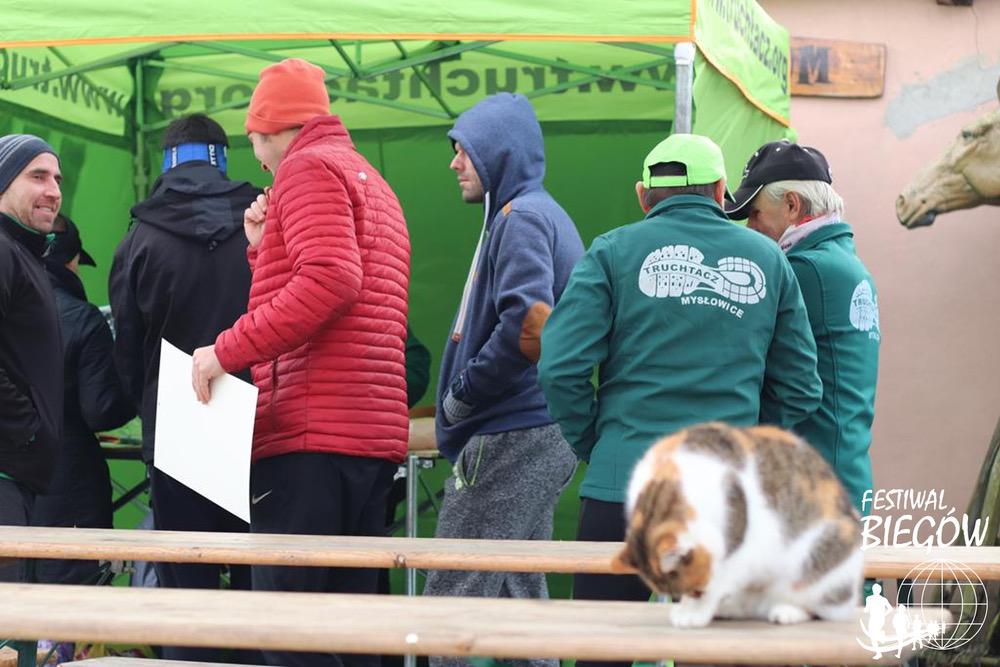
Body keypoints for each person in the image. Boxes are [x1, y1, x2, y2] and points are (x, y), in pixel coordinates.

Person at [537, 134, 822, 667]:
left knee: (602, 652)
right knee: (715, 654)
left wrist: (597, 442)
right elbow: (801, 385)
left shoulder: (613, 250)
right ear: (719, 190)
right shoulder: (767, 258)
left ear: (643, 195)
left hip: (623, 485)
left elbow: (559, 366)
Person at [190, 58, 410, 667]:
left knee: (286, 629)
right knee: (351, 631)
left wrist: (223, 351)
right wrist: (264, 250)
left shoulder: (307, 168)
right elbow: (341, 286)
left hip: (311, 435)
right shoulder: (369, 179)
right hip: (368, 435)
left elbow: (331, 280)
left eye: (254, 141)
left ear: (267, 128)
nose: (259, 162)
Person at [424, 92, 583, 667]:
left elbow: (527, 325)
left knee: (452, 599)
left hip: (512, 433)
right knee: (518, 598)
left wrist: (464, 394)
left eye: (463, 150)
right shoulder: (531, 214)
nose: (454, 163)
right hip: (536, 431)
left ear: (498, 152)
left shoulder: (523, 218)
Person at [108, 114, 260, 662]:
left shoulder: (138, 239)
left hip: (176, 431)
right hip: (259, 427)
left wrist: (149, 405)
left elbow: (126, 352)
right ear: (222, 157)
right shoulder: (263, 223)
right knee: (261, 587)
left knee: (184, 593)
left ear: (167, 161)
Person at [725, 140, 880, 511]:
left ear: (792, 205)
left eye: (755, 214)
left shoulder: (806, 270)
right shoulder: (843, 263)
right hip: (842, 475)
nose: (750, 227)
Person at [30, 213, 134, 586]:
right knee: (69, 598)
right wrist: (134, 382)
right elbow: (101, 411)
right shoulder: (83, 318)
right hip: (68, 481)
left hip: (12, 480)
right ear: (69, 262)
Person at [0, 134, 64, 583]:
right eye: (37, 176)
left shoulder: (22, 253)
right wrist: (27, 430)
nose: (54, 190)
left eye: (57, 179)